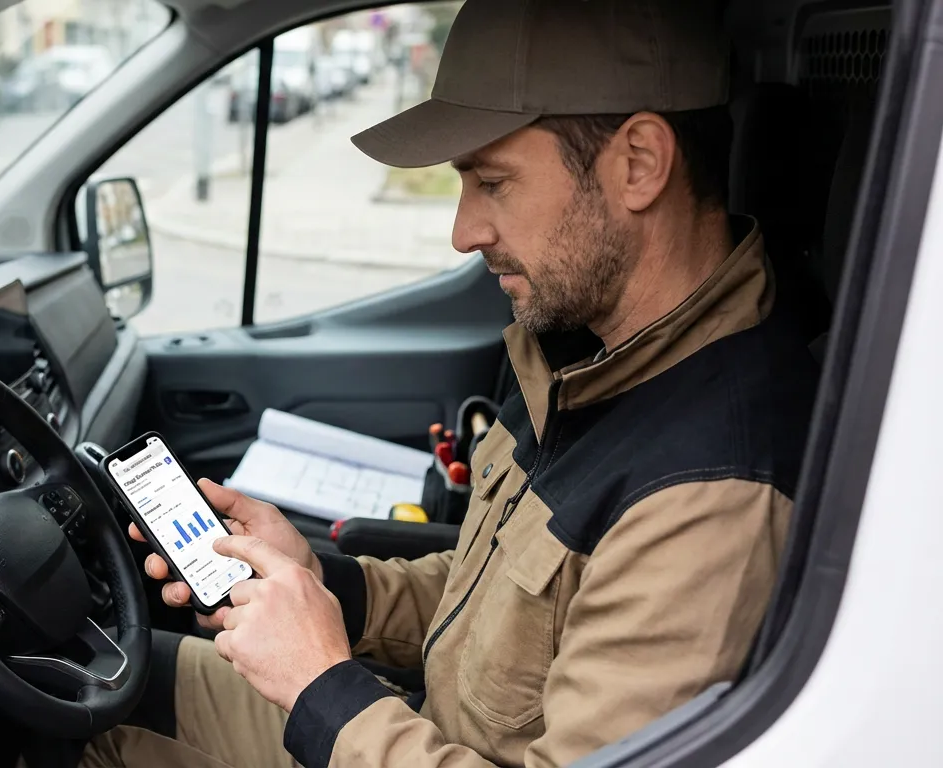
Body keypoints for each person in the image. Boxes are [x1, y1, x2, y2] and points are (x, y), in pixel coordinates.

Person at [81, 0, 821, 765]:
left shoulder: (711, 489)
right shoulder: (595, 359)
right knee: (98, 698)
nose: (464, 231)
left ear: (638, 163)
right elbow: (499, 610)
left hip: (389, 738)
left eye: (493, 181)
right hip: (413, 728)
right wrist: (324, 582)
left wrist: (320, 683)